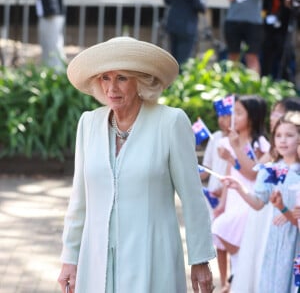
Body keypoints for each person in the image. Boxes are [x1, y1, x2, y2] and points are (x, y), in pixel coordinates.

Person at [57, 36, 216, 293]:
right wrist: (69, 259)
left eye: (122, 78)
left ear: (141, 80)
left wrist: (200, 260)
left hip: (154, 257)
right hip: (97, 259)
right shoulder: (88, 124)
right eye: (105, 78)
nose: (112, 88)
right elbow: (79, 200)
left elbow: (192, 197)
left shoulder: (171, 122)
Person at [221, 111, 300, 292]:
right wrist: (240, 188)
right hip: (274, 238)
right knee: (273, 280)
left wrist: (286, 210)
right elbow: (258, 202)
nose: (283, 140)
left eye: (289, 135)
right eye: (278, 135)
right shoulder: (270, 171)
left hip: (296, 240)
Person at [212, 94, 270, 292]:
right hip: (234, 198)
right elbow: (231, 174)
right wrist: (222, 203)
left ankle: (236, 279)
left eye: (239, 113)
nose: (233, 118)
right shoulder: (231, 140)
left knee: (226, 230)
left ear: (252, 117)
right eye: (233, 113)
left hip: (250, 198)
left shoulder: (260, 143)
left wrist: (234, 153)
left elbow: (252, 174)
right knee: (225, 232)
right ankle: (234, 279)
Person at [200, 97, 231, 289]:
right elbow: (206, 169)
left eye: (227, 116)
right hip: (213, 198)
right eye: (220, 116)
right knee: (219, 242)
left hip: (232, 196)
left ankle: (234, 278)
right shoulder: (215, 138)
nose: (222, 120)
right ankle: (224, 280)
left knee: (233, 240)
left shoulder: (238, 140)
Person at [224, 0, 268, 74]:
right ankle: (232, 82)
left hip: (254, 22)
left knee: (252, 56)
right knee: (233, 55)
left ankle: (253, 85)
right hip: (233, 20)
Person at [163, 0, 206, 66]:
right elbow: (198, 5)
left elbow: (167, 0)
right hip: (187, 24)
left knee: (174, 58)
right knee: (184, 60)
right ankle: (181, 76)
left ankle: (174, 76)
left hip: (173, 22)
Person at [261, 0, 292, 80]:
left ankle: (285, 79)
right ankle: (266, 78)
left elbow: (290, 8)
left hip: (283, 30)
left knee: (284, 54)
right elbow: (263, 9)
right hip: (268, 30)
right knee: (267, 54)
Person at [36, 0, 66, 69]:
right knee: (47, 46)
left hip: (51, 14)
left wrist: (52, 10)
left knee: (53, 47)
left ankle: (57, 71)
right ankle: (49, 69)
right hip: (47, 14)